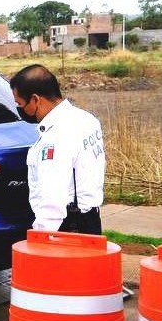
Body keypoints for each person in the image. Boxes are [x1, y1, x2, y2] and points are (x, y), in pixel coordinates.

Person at [10, 64, 106, 234]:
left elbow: (52, 201)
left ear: (35, 99)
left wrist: (39, 237)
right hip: (90, 219)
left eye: (20, 103)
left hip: (67, 227)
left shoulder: (55, 137)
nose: (20, 109)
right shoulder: (86, 119)